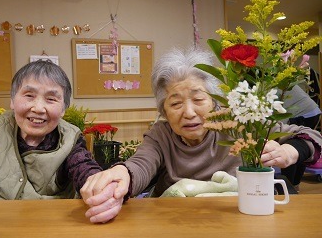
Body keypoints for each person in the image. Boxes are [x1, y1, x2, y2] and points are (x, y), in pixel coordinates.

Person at [81, 47, 322, 210]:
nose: (188, 112)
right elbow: (142, 164)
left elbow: (312, 136)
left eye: (198, 99)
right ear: (164, 111)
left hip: (236, 219)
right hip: (176, 224)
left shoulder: (241, 124)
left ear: (215, 101)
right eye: (175, 103)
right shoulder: (161, 135)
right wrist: (123, 174)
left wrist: (292, 151)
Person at [0, 60, 125, 223]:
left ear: (63, 108)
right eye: (29, 95)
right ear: (12, 100)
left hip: (45, 224)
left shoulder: (70, 138)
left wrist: (103, 189)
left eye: (51, 99)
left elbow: (85, 169)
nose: (38, 108)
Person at [280, 85, 322, 190]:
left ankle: (290, 186)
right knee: (301, 146)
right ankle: (295, 184)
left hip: (303, 114)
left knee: (291, 146)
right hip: (313, 111)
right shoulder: (282, 80)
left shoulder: (272, 85)